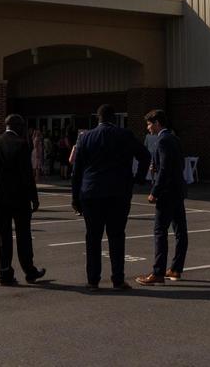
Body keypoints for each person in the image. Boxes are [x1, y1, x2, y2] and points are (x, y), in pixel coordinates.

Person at [71, 104, 150, 290]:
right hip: (118, 192)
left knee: (93, 237)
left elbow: (77, 171)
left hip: (91, 193)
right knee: (116, 236)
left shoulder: (85, 137)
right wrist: (138, 178)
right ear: (114, 118)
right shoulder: (125, 135)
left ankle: (93, 280)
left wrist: (75, 197)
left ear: (97, 118)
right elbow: (145, 156)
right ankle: (118, 279)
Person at [0, 114, 45, 286]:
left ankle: (4, 273)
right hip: (19, 197)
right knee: (23, 235)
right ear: (17, 126)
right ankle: (29, 271)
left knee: (3, 237)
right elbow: (27, 174)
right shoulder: (22, 144)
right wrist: (34, 198)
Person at [136, 110, 189, 285]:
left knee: (160, 231)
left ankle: (158, 272)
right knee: (180, 231)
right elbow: (179, 164)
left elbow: (165, 169)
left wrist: (155, 191)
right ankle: (176, 268)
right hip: (178, 191)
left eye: (149, 124)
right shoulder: (174, 139)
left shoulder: (162, 140)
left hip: (166, 193)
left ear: (157, 123)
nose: (148, 127)